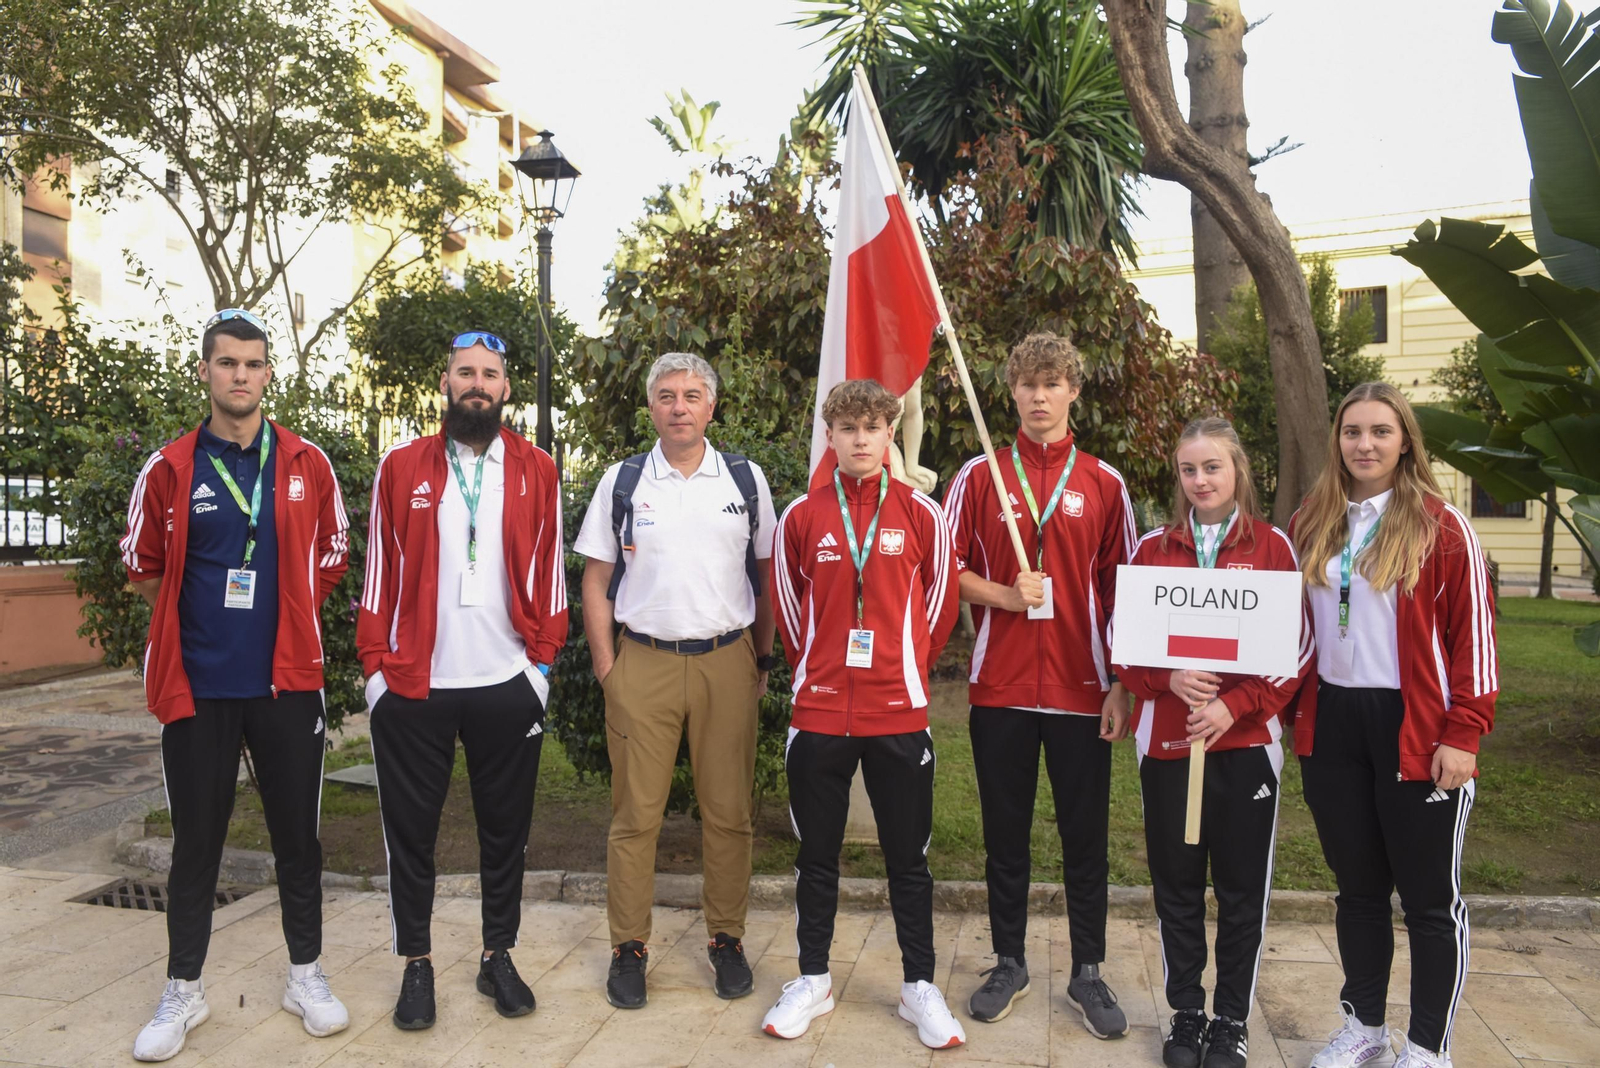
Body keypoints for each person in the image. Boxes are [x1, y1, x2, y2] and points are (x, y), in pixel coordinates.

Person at [120, 308, 351, 1061]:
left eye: (252, 364)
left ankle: (305, 976)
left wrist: (289, 613)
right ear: (206, 372)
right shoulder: (169, 468)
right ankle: (183, 989)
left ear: (268, 374)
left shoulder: (307, 462)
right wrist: (197, 622)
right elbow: (142, 564)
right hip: (198, 687)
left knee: (298, 840)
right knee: (196, 844)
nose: (240, 375)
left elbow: (334, 552)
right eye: (227, 363)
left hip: (287, 686)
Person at [357, 330, 568, 1030]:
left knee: (505, 833)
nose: (478, 384)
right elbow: (379, 570)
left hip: (507, 679)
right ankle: (416, 964)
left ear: (505, 388)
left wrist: (540, 667)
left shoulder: (538, 469)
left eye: (490, 374)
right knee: (410, 835)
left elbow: (550, 570)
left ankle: (496, 955)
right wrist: (375, 671)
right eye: (465, 372)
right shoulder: (401, 465)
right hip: (415, 683)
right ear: (446, 383)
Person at [1292, 383, 1496, 1068]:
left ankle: (1428, 1046)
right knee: (1357, 892)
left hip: (1416, 728)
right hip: (1333, 724)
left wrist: (1464, 732)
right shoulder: (1313, 519)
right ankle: (1366, 1027)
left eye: (1381, 431)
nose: (1365, 444)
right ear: (1337, 440)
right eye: (1352, 431)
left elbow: (1474, 639)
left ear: (1405, 440)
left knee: (1430, 902)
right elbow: (1293, 628)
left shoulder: (1442, 525)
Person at [942, 331, 1135, 1037]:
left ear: (1073, 392)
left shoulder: (1104, 483)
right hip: (1001, 689)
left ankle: (1088, 970)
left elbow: (1124, 591)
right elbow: (943, 569)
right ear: (1012, 393)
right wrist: (1003, 594)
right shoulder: (979, 476)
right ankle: (1010, 961)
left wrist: (1122, 684)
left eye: (1052, 383)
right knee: (1006, 837)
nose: (1039, 396)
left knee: (1086, 838)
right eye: (1027, 384)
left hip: (1083, 691)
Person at [573, 352, 778, 1008]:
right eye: (667, 395)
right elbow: (597, 579)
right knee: (636, 817)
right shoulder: (624, 480)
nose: (679, 406)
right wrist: (607, 668)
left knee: (729, 814)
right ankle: (629, 948)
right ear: (651, 406)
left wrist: (761, 660)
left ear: (711, 406)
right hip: (644, 663)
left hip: (727, 661)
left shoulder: (744, 478)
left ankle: (727, 940)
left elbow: (767, 578)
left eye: (692, 395)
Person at [765, 378, 964, 1049]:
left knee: (908, 860)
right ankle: (813, 979)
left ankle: (919, 987)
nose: (859, 439)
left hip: (898, 714)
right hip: (819, 715)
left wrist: (903, 667)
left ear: (889, 434)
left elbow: (940, 603)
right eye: (847, 428)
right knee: (816, 855)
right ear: (830, 436)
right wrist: (820, 672)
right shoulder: (802, 515)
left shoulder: (922, 512)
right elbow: (790, 610)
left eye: (872, 428)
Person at [1115, 418, 1312, 1068]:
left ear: (1237, 471)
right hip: (1169, 748)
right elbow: (1124, 644)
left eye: (1212, 467)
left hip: (1246, 749)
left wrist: (1235, 705)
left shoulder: (1272, 546)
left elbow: (1297, 648)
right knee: (1176, 886)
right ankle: (1185, 1012)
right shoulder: (1152, 549)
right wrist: (1166, 679)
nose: (1200, 480)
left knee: (1240, 890)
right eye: (1189, 469)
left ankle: (1230, 1019)